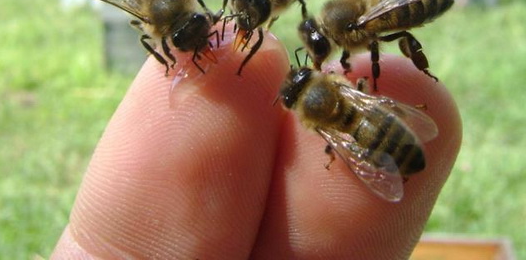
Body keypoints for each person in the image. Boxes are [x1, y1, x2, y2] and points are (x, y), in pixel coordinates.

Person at [50, 33, 461, 260]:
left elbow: (332, 137)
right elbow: (368, 101)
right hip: (377, 120)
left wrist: (341, 152)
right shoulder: (341, 90)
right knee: (368, 118)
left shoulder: (319, 122)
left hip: (368, 135)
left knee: (353, 139)